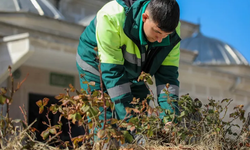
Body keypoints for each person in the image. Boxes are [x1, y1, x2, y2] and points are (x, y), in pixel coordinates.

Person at [76, 0, 181, 132]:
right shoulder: (112, 16)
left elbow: (168, 78)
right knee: (103, 124)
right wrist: (131, 123)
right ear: (145, 17)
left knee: (140, 119)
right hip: (96, 63)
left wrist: (170, 120)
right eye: (157, 32)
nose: (161, 40)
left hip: (136, 69)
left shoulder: (173, 29)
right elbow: (113, 74)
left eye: (166, 35)